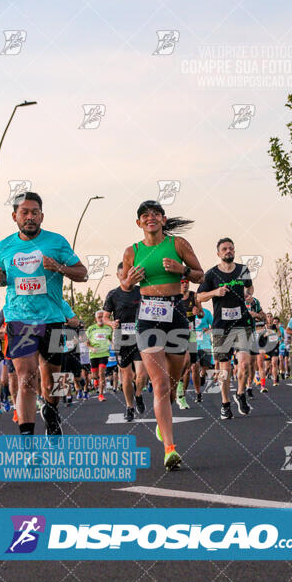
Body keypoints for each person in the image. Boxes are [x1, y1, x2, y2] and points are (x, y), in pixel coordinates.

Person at [0, 192, 87, 436]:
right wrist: (0, 279)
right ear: (15, 216)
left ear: (42, 216)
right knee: (26, 377)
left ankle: (52, 410)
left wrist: (58, 267)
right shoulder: (4, 246)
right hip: (19, 319)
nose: (30, 217)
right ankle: (27, 438)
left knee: (53, 381)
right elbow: (3, 277)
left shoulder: (56, 242)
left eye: (35, 212)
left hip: (53, 319)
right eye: (24, 212)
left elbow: (83, 273)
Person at [121, 200, 203, 470]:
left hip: (176, 313)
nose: (151, 218)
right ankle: (170, 448)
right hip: (147, 318)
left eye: (156, 214)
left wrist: (183, 271)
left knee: (172, 381)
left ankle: (164, 415)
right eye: (145, 215)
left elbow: (201, 276)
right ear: (139, 223)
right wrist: (129, 281)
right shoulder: (132, 251)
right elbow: (123, 285)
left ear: (164, 219)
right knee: (159, 383)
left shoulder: (178, 245)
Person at [197, 238, 254, 419]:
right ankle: (225, 402)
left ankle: (240, 393)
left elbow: (250, 288)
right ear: (218, 253)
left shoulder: (242, 270)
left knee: (244, 363)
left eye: (231, 248)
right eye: (224, 249)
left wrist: (248, 295)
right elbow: (199, 296)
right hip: (221, 326)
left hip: (241, 323)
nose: (228, 251)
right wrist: (215, 292)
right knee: (224, 368)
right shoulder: (212, 274)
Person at [103, 262, 147, 421]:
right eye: (123, 276)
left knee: (142, 374)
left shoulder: (141, 291)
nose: (126, 279)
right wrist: (111, 323)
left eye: (129, 276)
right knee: (126, 376)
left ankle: (139, 394)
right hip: (122, 338)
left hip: (140, 337)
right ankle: (129, 407)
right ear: (118, 276)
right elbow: (105, 317)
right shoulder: (113, 294)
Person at [177, 278, 204, 409]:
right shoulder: (174, 296)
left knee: (192, 366)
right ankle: (180, 394)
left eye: (187, 282)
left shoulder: (194, 296)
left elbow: (202, 314)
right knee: (185, 363)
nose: (185, 284)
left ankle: (184, 393)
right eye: (182, 282)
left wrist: (198, 313)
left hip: (191, 335)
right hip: (176, 336)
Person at [86, 310, 112, 401]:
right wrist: (91, 348)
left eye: (102, 317)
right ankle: (95, 379)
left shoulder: (109, 328)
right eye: (99, 317)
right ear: (96, 319)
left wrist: (113, 345)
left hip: (104, 353)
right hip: (93, 354)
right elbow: (87, 342)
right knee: (94, 375)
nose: (101, 319)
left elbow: (112, 339)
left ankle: (101, 394)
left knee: (102, 373)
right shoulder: (91, 328)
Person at [195, 306, 214, 400]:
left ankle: (202, 374)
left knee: (205, 367)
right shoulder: (189, 313)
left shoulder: (207, 312)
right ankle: (198, 393)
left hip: (205, 343)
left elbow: (214, 325)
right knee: (195, 366)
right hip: (193, 343)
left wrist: (209, 330)